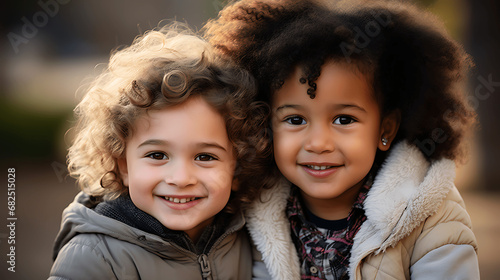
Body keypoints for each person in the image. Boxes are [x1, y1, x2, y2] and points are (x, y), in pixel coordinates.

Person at [204, 0, 480, 279]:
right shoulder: (256, 211)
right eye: (295, 120)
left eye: (344, 120)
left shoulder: (429, 211)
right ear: (266, 125)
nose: (318, 143)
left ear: (385, 130)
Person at [49, 23, 270, 280]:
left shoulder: (250, 238)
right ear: (123, 166)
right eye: (157, 155)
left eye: (205, 157)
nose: (181, 178)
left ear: (237, 169)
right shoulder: (94, 258)